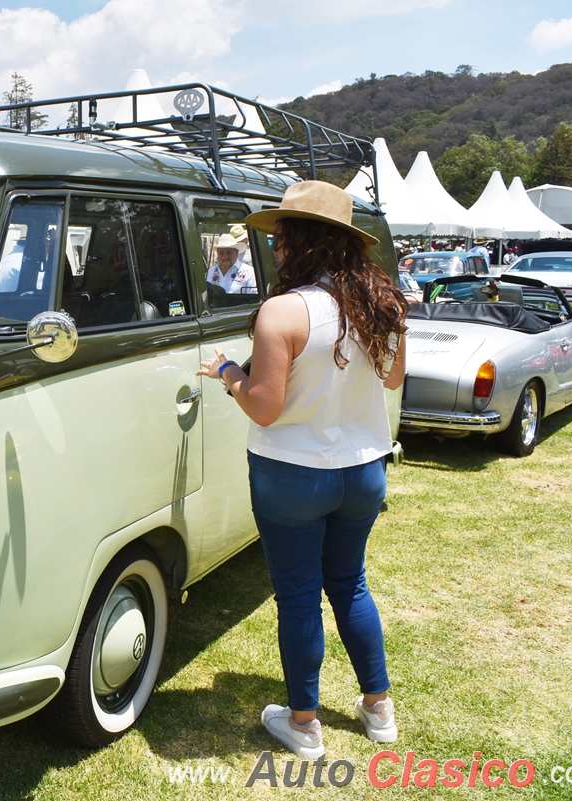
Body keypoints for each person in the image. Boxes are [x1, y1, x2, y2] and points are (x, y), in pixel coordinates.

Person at [196, 180, 407, 759]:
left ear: (300, 242)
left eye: (282, 237)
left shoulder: (283, 311)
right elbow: (392, 379)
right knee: (351, 585)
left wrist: (228, 372)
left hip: (291, 473)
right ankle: (378, 708)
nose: (277, 248)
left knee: (297, 597)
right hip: (363, 469)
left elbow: (264, 406)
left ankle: (305, 723)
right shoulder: (383, 303)